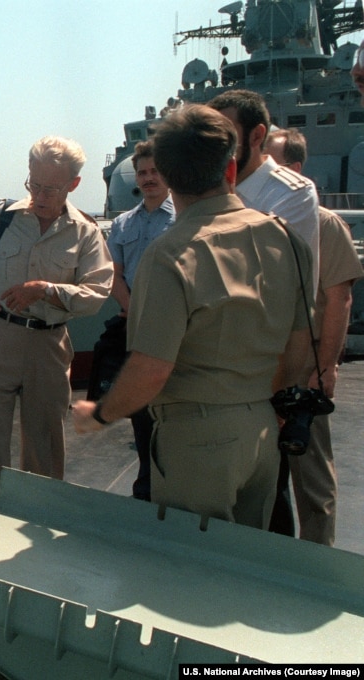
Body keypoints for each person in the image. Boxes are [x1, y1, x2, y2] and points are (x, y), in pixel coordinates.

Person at [73, 105, 314, 530]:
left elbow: (150, 370)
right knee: (247, 568)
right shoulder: (285, 238)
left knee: (191, 577)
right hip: (263, 431)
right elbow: (298, 348)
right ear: (232, 169)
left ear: (165, 174)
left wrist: (99, 415)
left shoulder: (169, 256)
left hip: (197, 442)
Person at [0, 136, 113, 523]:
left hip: (49, 345)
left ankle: (37, 528)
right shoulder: (4, 219)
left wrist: (47, 290)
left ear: (73, 184)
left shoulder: (85, 233)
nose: (38, 194)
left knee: (45, 444)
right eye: (33, 184)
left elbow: (96, 293)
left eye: (50, 187)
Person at [265, 128, 363, 545]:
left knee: (313, 482)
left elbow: (339, 299)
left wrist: (325, 370)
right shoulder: (256, 225)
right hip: (261, 365)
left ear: (295, 170)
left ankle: (317, 564)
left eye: (272, 164)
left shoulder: (326, 225)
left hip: (304, 368)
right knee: (262, 480)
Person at [101, 141, 175, 501]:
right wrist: (132, 308)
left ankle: (176, 492)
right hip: (135, 328)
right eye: (142, 172)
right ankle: (146, 490)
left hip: (175, 331)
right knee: (142, 415)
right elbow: (114, 274)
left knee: (175, 412)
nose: (148, 179)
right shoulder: (122, 223)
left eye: (155, 172)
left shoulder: (185, 219)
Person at [207, 89, 320, 293]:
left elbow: (259, 274)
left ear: (257, 136)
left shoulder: (292, 194)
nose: (214, 147)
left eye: (225, 135)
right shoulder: (209, 189)